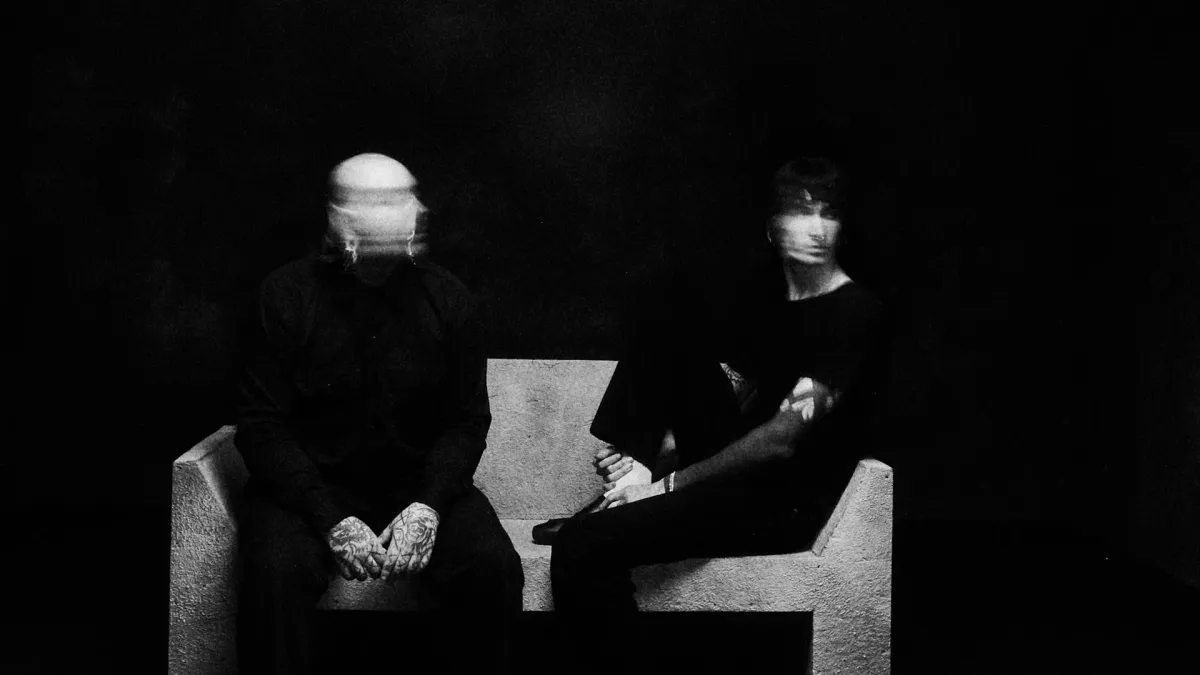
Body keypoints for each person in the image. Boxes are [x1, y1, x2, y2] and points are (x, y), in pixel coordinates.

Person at [545, 157, 889, 620]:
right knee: (667, 311)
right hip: (739, 482)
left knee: (581, 544)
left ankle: (627, 499)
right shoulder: (774, 305)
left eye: (827, 213)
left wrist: (666, 486)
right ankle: (631, 475)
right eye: (800, 211)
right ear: (772, 228)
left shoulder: (853, 312)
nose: (816, 228)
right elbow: (740, 400)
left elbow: (779, 440)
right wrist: (661, 451)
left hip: (781, 503)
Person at [234, 153, 523, 675]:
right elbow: (261, 427)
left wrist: (428, 506)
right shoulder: (285, 295)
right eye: (389, 199)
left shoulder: (449, 298)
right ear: (341, 218)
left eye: (410, 194)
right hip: (307, 490)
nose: (416, 208)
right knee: (273, 573)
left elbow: (466, 421)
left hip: (415, 486)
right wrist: (329, 518)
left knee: (492, 567)